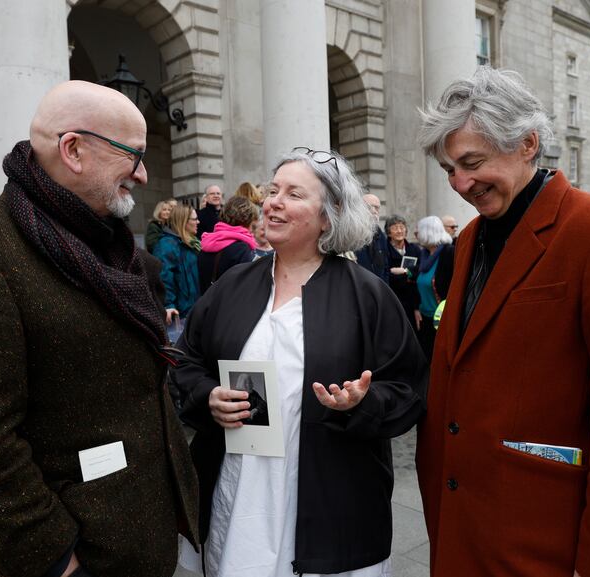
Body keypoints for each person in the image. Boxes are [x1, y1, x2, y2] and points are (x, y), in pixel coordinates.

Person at [0, 80, 198, 577]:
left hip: (143, 543)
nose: (144, 174)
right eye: (134, 155)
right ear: (73, 149)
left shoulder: (127, 257)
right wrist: (55, 559)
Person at [415, 67, 590, 577]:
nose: (460, 184)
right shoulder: (470, 238)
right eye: (450, 168)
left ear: (528, 144)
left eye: (472, 163)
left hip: (548, 543)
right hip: (463, 531)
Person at [174, 147, 427, 577]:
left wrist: (360, 403)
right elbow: (185, 361)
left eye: (293, 194)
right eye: (273, 191)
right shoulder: (234, 284)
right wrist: (207, 397)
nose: (273, 201)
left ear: (327, 216)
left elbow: (408, 386)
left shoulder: (367, 295)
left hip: (330, 500)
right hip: (240, 494)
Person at [197, 196, 258, 293]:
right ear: (247, 220)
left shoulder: (208, 242)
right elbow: (245, 288)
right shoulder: (241, 249)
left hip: (208, 305)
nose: (251, 230)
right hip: (231, 305)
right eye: (252, 225)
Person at [414, 215, 454, 362]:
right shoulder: (424, 254)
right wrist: (416, 308)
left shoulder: (448, 253)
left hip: (442, 319)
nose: (416, 234)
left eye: (418, 231)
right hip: (425, 318)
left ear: (428, 232)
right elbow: (418, 282)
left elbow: (454, 286)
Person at [153, 203, 201, 325]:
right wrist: (168, 304)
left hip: (193, 310)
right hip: (179, 315)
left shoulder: (192, 243)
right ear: (183, 221)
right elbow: (163, 278)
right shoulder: (166, 245)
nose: (198, 222)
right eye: (195, 219)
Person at [384, 214, 422, 330]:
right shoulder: (384, 251)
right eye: (395, 228)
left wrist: (405, 271)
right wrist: (408, 275)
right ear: (389, 232)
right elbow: (385, 275)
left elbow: (420, 271)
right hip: (393, 300)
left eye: (402, 227)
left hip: (413, 301)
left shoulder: (414, 249)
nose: (399, 231)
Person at [354, 193, 390, 283]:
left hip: (378, 288)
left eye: (377, 207)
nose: (374, 211)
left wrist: (384, 287)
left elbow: (385, 265)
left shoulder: (380, 234)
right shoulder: (351, 232)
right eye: (369, 207)